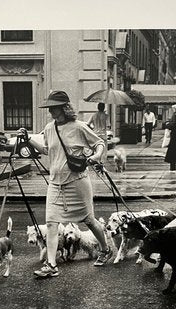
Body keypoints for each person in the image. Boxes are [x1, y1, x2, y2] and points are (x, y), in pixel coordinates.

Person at [18, 90, 114, 278]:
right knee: (52, 223)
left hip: (77, 182)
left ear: (64, 108)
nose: (51, 112)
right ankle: (51, 264)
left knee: (89, 220)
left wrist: (95, 156)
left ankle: (105, 248)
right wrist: (28, 138)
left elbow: (99, 143)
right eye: (50, 108)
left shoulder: (79, 127)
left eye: (54, 108)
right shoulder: (49, 128)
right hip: (55, 184)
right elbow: (46, 149)